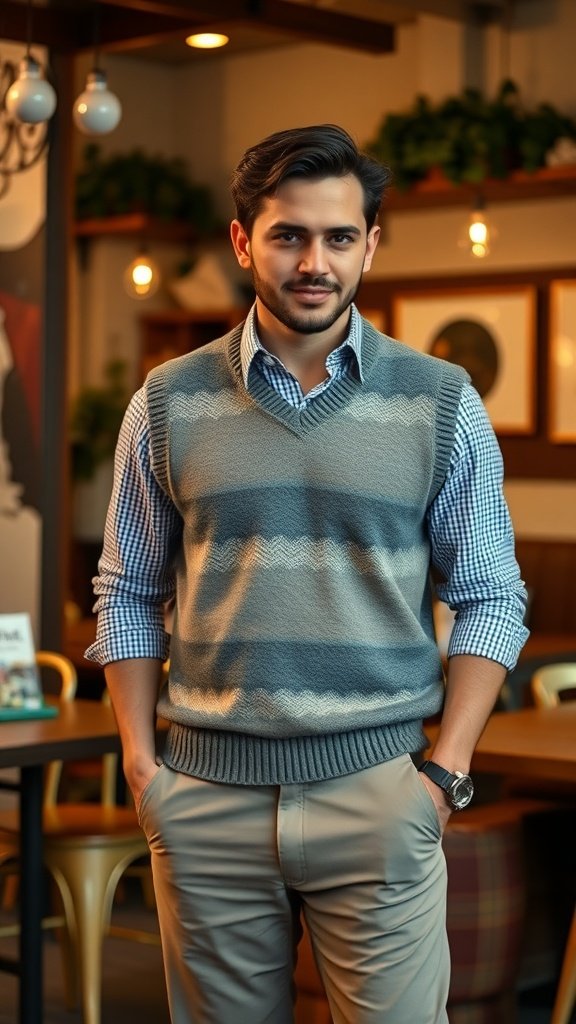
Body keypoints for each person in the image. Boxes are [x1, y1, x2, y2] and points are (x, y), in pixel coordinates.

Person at [86, 124, 529, 1024]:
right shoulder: (168, 401)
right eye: (289, 235)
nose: (314, 261)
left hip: (380, 793)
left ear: (372, 243)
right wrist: (144, 769)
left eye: (338, 237)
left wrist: (443, 775)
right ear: (245, 240)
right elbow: (127, 591)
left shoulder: (440, 400)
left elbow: (490, 596)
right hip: (204, 799)